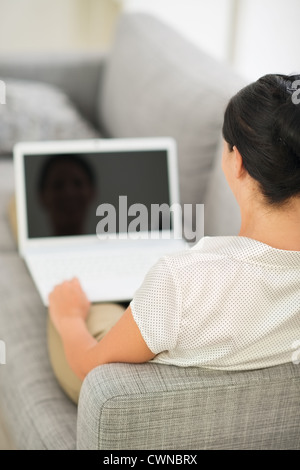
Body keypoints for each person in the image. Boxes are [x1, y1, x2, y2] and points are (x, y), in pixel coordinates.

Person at [48, 74, 300, 404]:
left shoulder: (181, 281)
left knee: (67, 295)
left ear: (236, 162)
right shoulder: (192, 283)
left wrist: (67, 317)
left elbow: (89, 367)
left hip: (119, 390)